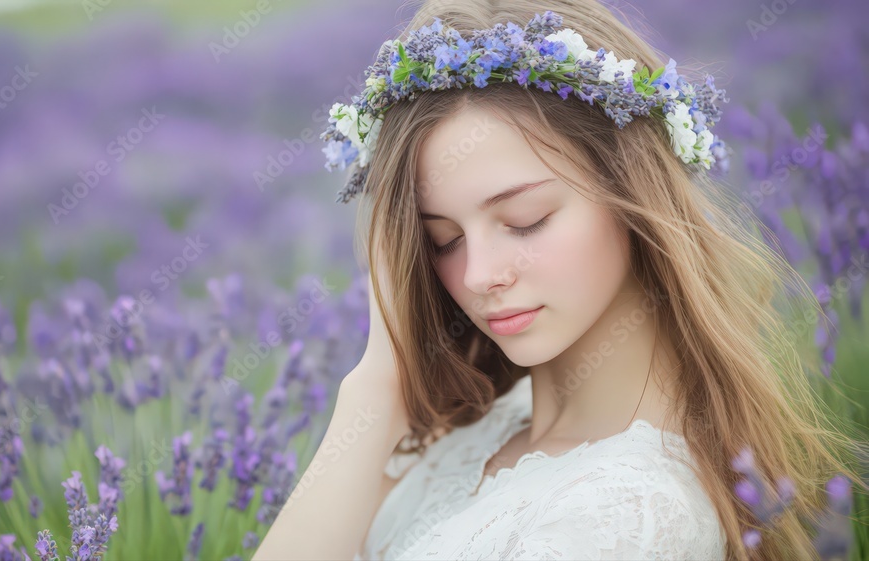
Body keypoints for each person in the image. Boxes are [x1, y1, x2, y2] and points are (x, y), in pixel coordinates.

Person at [253, 1, 868, 559]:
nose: (479, 276)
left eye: (526, 220)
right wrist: (376, 390)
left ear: (633, 193)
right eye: (443, 239)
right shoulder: (477, 427)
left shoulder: (624, 517)